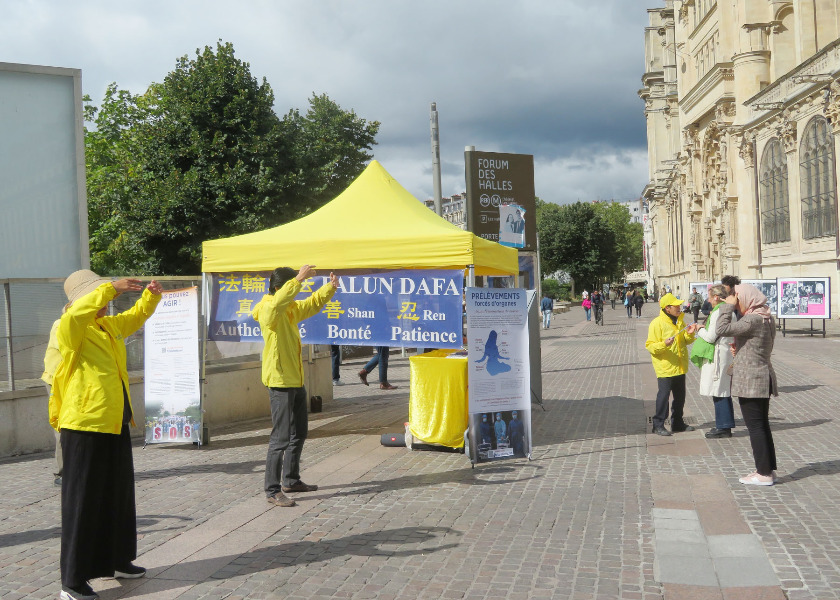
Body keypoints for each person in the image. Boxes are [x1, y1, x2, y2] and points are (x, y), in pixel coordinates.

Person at [50, 270, 162, 600]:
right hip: (84, 425)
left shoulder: (106, 326)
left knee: (118, 497)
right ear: (80, 300)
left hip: (114, 422)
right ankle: (72, 581)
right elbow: (78, 315)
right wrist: (110, 288)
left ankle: (117, 559)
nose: (105, 302)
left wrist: (150, 297)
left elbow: (134, 318)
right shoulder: (70, 326)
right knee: (82, 503)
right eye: (97, 294)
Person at [252, 265, 338, 508]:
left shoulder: (288, 308)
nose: (296, 291)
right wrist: (298, 278)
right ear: (280, 288)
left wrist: (329, 289)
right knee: (280, 438)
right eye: (293, 286)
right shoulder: (268, 308)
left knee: (299, 432)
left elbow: (310, 304)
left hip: (295, 379)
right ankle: (272, 490)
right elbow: (275, 306)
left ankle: (290, 480)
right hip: (279, 381)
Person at [716, 284, 779, 485]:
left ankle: (763, 474)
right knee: (762, 425)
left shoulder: (752, 319)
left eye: (737, 300)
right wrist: (742, 350)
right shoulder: (766, 317)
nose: (736, 305)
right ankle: (767, 469)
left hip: (751, 380)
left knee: (756, 427)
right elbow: (759, 346)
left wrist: (727, 307)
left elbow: (721, 329)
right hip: (763, 375)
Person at [645, 293, 700, 436]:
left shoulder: (680, 321)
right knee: (663, 397)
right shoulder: (657, 323)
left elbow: (685, 341)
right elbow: (650, 346)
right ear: (667, 308)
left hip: (680, 366)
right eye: (676, 306)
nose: (679, 308)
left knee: (680, 397)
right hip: (665, 367)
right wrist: (664, 344)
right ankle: (658, 424)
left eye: (679, 305)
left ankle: (678, 423)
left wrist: (689, 334)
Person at [690, 285, 735, 439]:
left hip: (718, 355)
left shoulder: (719, 312)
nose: (708, 300)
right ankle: (724, 424)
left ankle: (723, 427)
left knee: (719, 391)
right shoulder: (728, 311)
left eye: (710, 297)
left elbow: (711, 337)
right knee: (722, 390)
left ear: (716, 297)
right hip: (723, 353)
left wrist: (699, 329)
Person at [42, 315, 64, 486]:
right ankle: (63, 472)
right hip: (56, 381)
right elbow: (70, 349)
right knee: (62, 425)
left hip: (72, 382)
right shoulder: (61, 325)